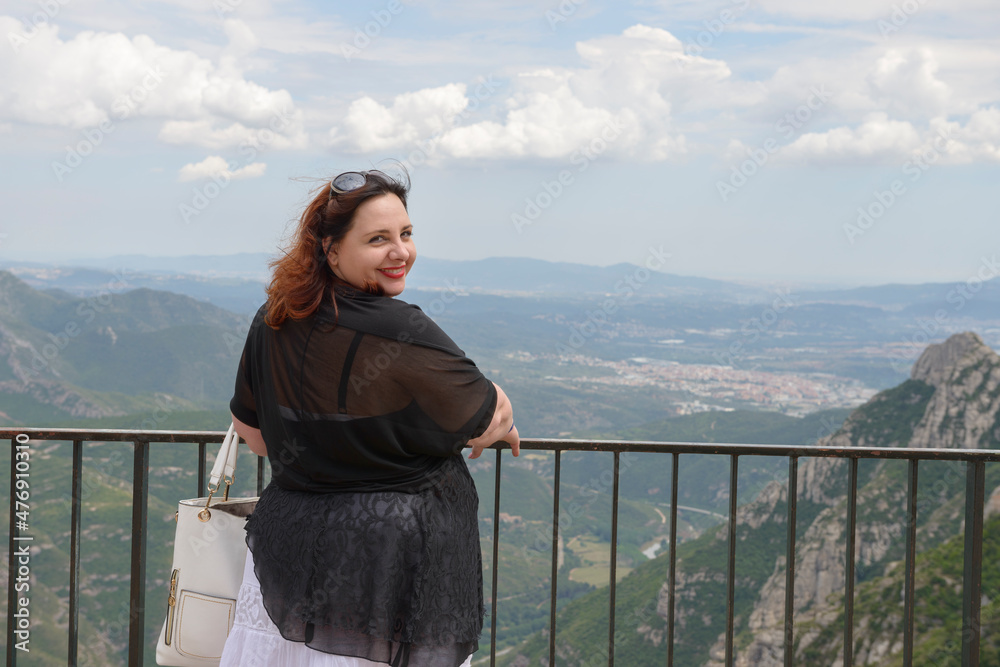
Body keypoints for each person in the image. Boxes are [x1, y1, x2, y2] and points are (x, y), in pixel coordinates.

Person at [220, 168, 519, 667]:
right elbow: (485, 417)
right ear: (331, 250)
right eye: (378, 239)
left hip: (287, 569)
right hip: (385, 582)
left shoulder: (275, 316)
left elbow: (254, 435)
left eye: (406, 234)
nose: (400, 252)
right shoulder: (401, 329)